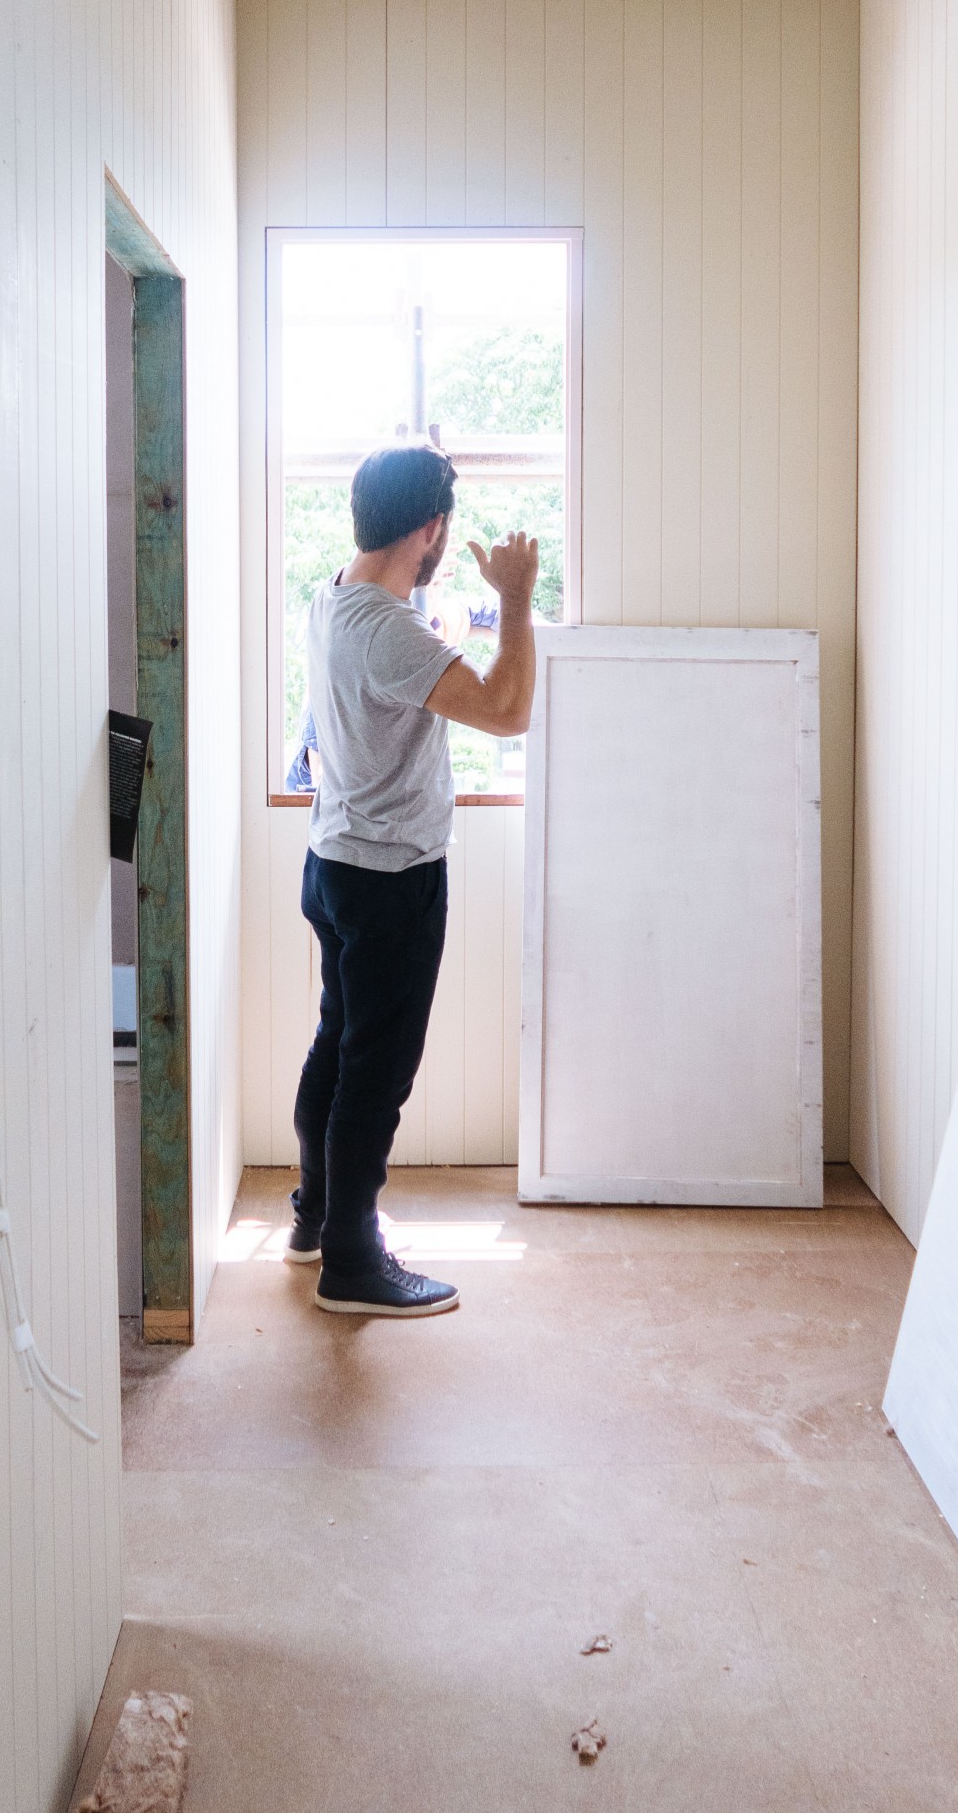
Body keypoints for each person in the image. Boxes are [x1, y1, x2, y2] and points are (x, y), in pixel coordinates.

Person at [288, 442, 539, 1316]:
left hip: (335, 864)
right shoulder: (387, 631)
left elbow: (402, 667)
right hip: (391, 880)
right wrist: (514, 601)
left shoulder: (336, 597)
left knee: (339, 1044)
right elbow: (508, 712)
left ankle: (317, 1214)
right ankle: (354, 1263)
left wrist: (457, 630)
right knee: (376, 1072)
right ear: (430, 531)